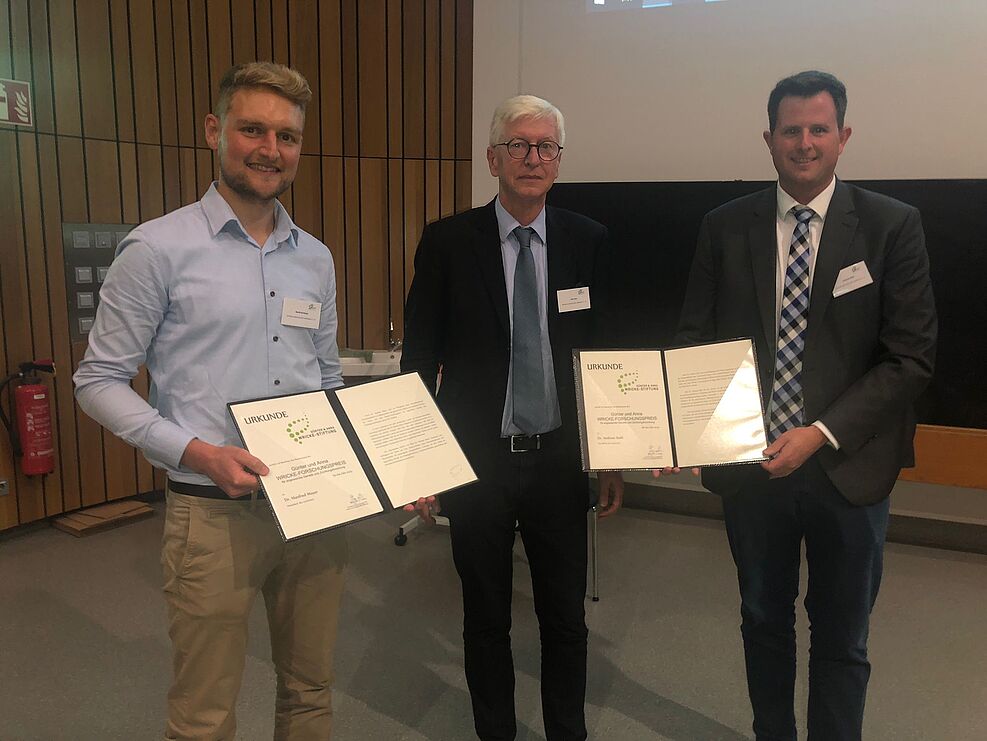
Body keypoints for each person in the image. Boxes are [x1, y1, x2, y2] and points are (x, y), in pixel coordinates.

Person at [73, 62, 347, 741]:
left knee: (310, 691)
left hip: (312, 509)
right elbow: (97, 380)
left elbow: (327, 376)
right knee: (203, 714)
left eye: (287, 136)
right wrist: (194, 450)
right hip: (210, 514)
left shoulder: (314, 257)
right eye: (252, 129)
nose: (269, 149)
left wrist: (370, 462)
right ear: (213, 130)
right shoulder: (158, 249)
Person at [675, 70, 937, 740]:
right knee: (762, 619)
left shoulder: (890, 226)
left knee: (842, 634)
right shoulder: (723, 227)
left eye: (818, 128)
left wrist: (818, 432)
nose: (803, 142)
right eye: (789, 130)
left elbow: (909, 357)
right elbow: (693, 341)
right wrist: (682, 426)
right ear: (768, 139)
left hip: (848, 472)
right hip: (750, 468)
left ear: (842, 136)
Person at [401, 94, 624, 741]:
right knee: (485, 620)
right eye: (520, 145)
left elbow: (603, 358)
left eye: (546, 146)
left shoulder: (588, 241)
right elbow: (418, 360)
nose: (533, 158)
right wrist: (417, 461)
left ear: (558, 159)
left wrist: (606, 454)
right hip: (477, 464)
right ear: (493, 157)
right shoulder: (447, 242)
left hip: (558, 460)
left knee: (564, 621)